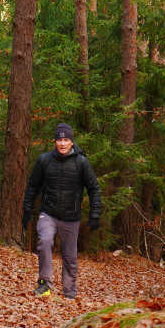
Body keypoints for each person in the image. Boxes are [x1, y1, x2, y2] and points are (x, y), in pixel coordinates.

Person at [21, 122, 102, 298]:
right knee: (44, 242)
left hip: (71, 217)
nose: (62, 143)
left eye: (66, 140)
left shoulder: (81, 163)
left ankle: (69, 292)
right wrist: (27, 210)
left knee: (70, 257)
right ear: (55, 142)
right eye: (59, 140)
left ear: (71, 142)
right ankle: (44, 285)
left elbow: (94, 188)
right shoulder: (44, 161)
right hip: (48, 213)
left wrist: (95, 214)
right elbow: (32, 186)